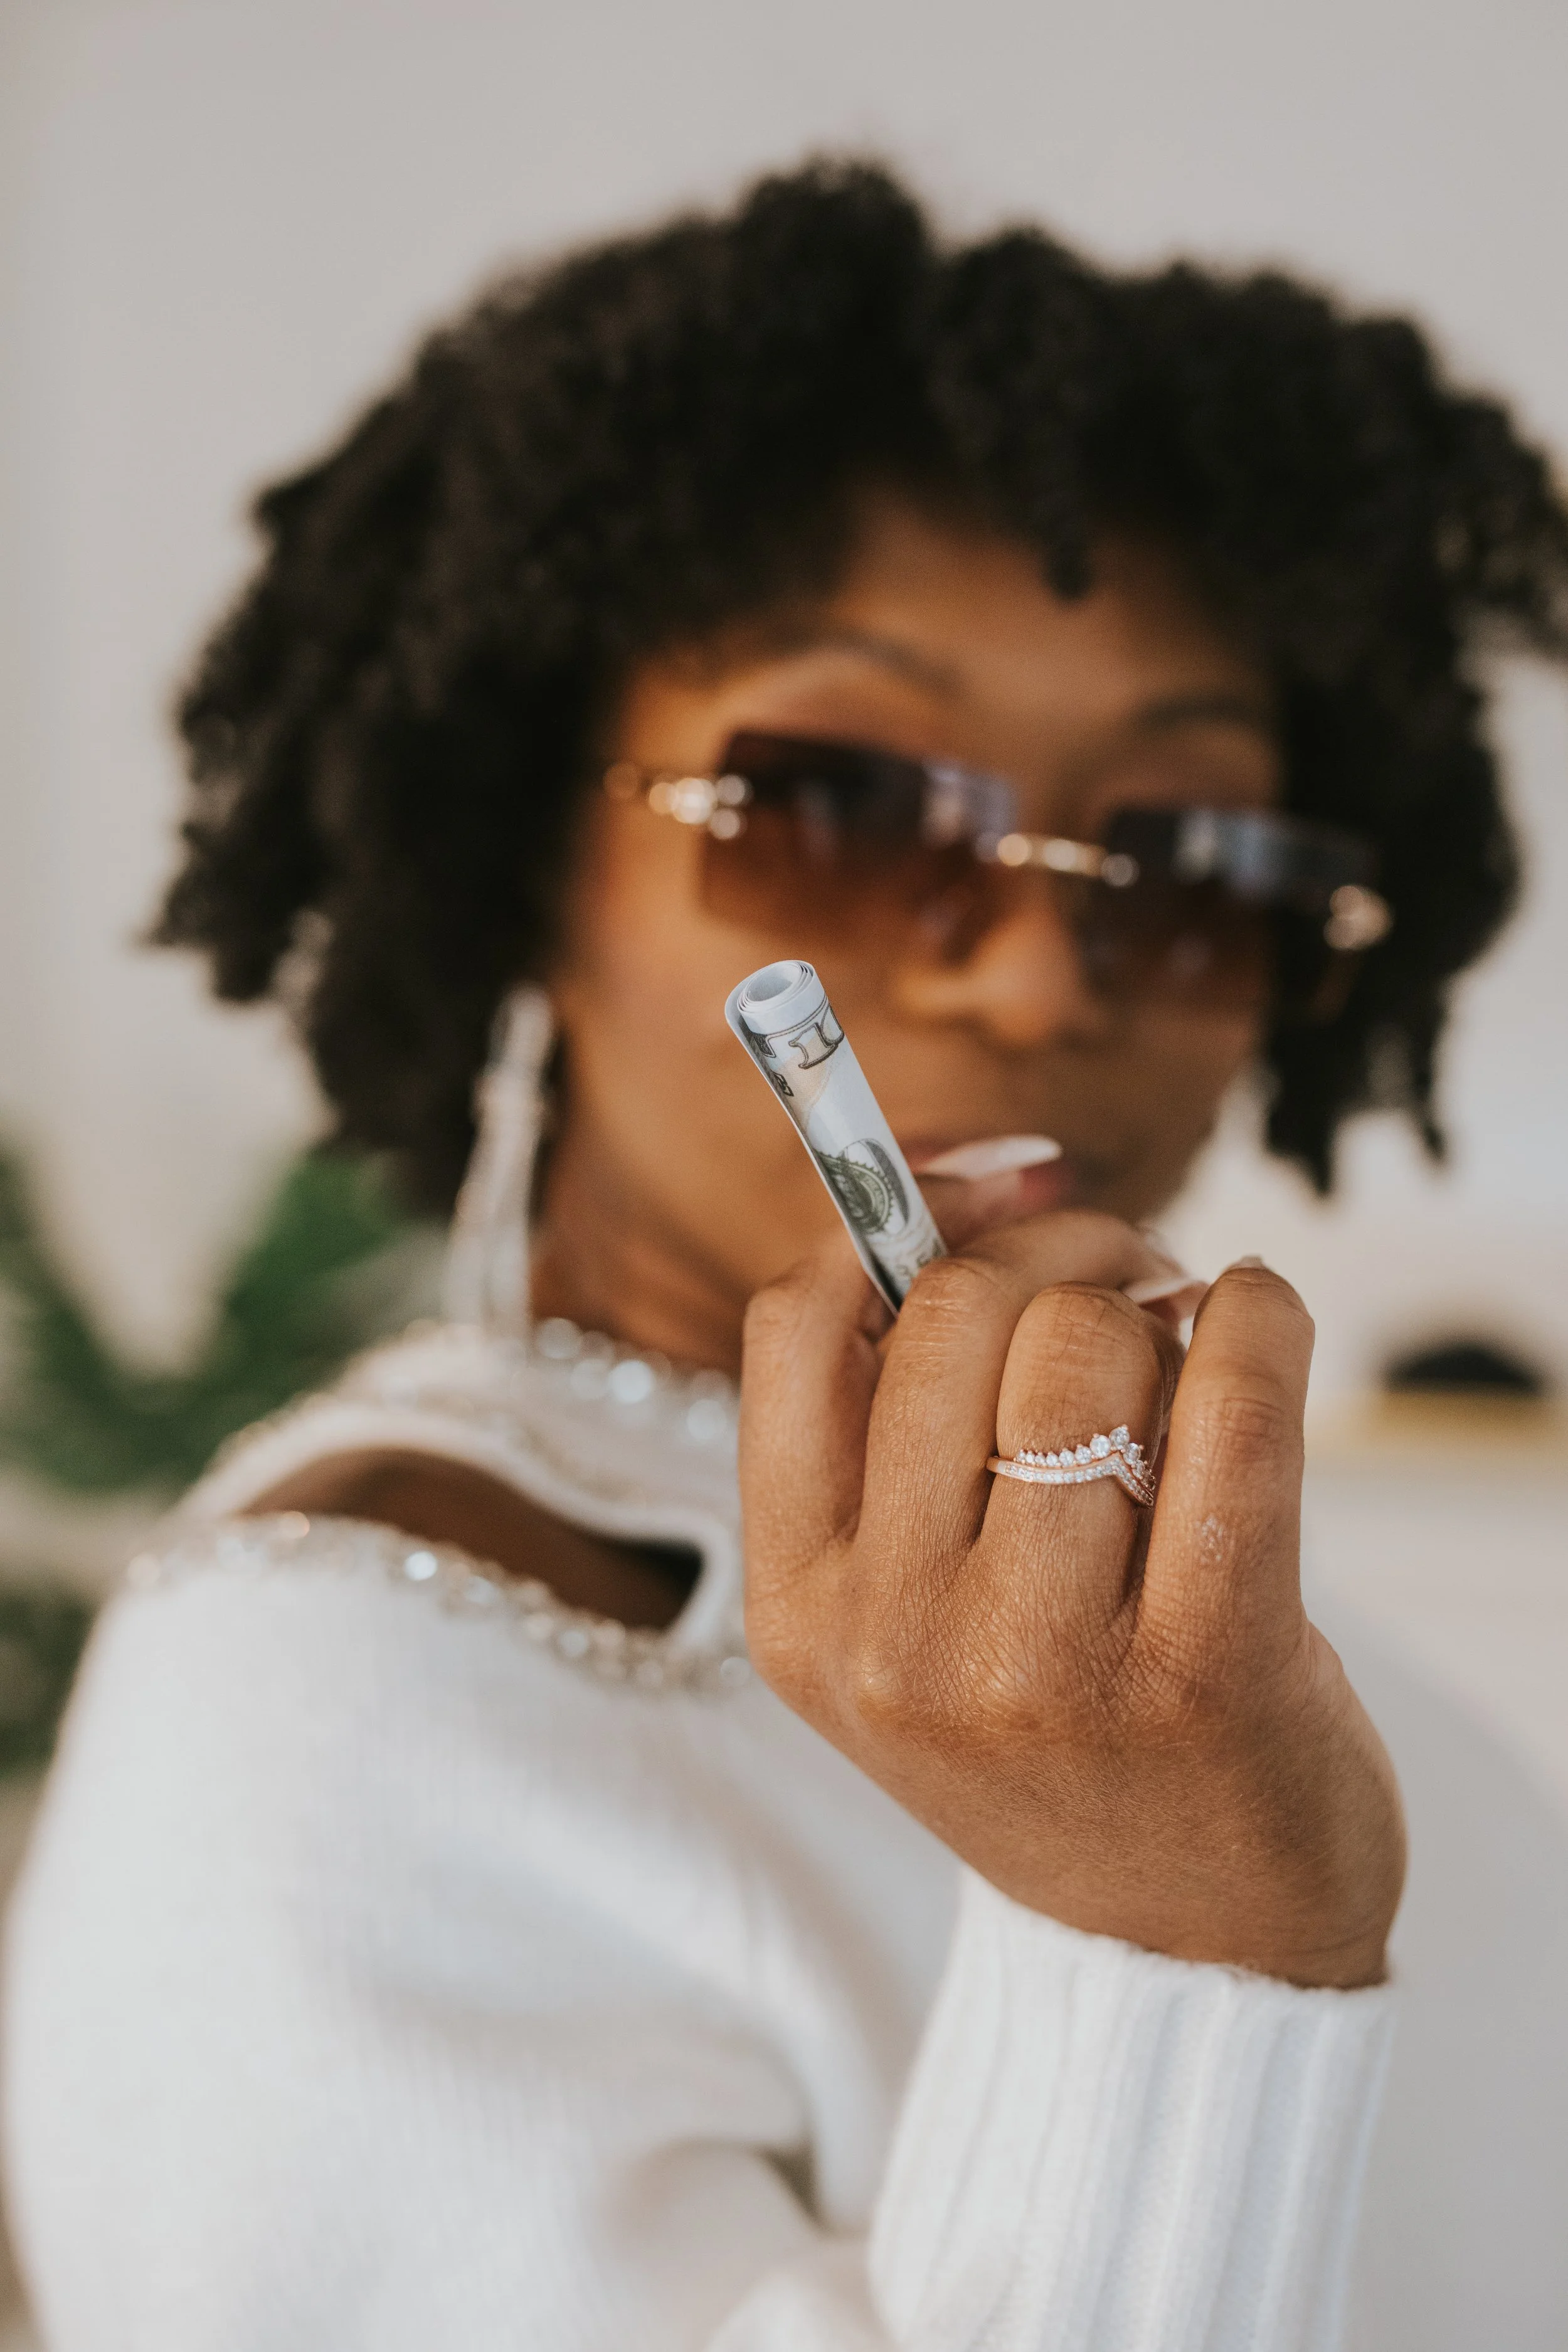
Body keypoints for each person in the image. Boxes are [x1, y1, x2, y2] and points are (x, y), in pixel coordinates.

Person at [6, 162, 1568, 2351]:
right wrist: (1182, 1953)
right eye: (839, 805)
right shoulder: (340, 1689)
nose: (1037, 970)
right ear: (527, 848)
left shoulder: (1368, 1712)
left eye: (1189, 857)